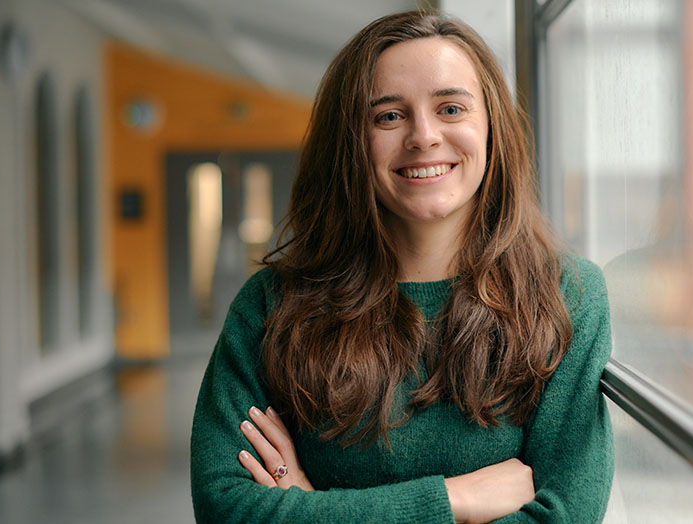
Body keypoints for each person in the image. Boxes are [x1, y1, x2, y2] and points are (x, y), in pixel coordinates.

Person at [191, 10, 613, 523]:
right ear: (351, 141)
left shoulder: (567, 296)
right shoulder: (271, 305)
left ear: (492, 127)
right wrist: (452, 500)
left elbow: (565, 516)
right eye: (388, 116)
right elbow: (226, 509)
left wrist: (308, 508)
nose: (424, 136)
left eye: (451, 108)